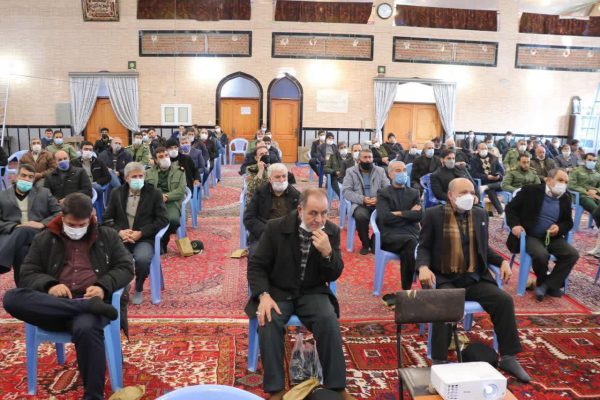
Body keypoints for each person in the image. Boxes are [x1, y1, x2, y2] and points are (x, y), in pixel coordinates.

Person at [3, 193, 134, 400]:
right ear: (62, 217)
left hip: (91, 305)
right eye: (72, 225)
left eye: (82, 225)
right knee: (11, 297)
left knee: (86, 328)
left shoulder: (107, 236)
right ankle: (84, 306)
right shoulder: (45, 238)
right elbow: (27, 273)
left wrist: (102, 287)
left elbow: (126, 267)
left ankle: (93, 396)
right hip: (54, 305)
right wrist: (50, 285)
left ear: (92, 218)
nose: (76, 229)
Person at [417, 178, 530, 382]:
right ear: (450, 195)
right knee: (444, 302)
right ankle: (440, 361)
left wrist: (502, 261)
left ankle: (508, 357)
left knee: (504, 301)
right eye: (463, 193)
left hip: (474, 277)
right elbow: (423, 247)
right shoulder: (433, 215)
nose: (468, 196)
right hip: (445, 277)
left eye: (471, 192)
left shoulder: (479, 214)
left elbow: (484, 248)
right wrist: (423, 267)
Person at [246, 188, 353, 400]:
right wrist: (264, 295)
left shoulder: (330, 232)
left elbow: (335, 273)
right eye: (313, 213)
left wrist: (328, 253)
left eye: (324, 213)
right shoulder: (276, 227)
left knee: (328, 319)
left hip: (312, 292)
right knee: (268, 320)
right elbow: (256, 266)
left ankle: (337, 387)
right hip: (278, 291)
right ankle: (276, 390)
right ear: (300, 209)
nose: (319, 219)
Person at [505, 169, 579, 301]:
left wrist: (559, 227)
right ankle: (546, 283)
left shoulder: (565, 197)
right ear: (548, 180)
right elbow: (511, 208)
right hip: (530, 235)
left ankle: (545, 285)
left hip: (552, 237)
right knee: (541, 255)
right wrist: (515, 225)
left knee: (572, 254)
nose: (563, 184)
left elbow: (568, 222)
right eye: (560, 180)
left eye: (566, 182)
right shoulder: (530, 190)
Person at [103, 162, 168, 305]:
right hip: (121, 238)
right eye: (134, 176)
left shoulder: (154, 193)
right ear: (126, 178)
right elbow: (106, 219)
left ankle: (138, 287)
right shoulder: (117, 193)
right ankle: (121, 286)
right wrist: (119, 232)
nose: (138, 179)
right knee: (113, 258)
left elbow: (163, 220)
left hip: (144, 238)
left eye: (141, 176)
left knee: (143, 259)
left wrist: (142, 232)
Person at [0, 164, 61, 285]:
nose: (26, 179)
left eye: (30, 177)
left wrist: (42, 224)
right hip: (14, 235)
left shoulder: (44, 193)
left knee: (24, 230)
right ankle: (22, 288)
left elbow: (59, 213)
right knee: (22, 249)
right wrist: (14, 226)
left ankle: (2, 261)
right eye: (23, 175)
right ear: (16, 177)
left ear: (34, 179)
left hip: (39, 233)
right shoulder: (2, 196)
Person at [376, 161, 421, 291]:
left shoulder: (414, 193)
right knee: (411, 243)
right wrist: (409, 214)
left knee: (412, 245)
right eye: (398, 170)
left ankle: (412, 287)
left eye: (404, 170)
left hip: (411, 234)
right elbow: (385, 218)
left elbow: (419, 215)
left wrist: (398, 213)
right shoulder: (383, 193)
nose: (402, 173)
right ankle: (407, 288)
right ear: (390, 175)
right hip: (390, 236)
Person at [244, 163, 300, 253]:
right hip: (264, 234)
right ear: (270, 179)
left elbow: (301, 219)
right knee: (255, 254)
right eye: (277, 177)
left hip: (288, 235)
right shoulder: (260, 193)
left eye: (284, 176)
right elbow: (249, 218)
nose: (281, 180)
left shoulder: (296, 195)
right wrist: (266, 231)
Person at [343, 149, 389, 255]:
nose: (368, 160)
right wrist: (362, 199)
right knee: (361, 216)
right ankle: (365, 243)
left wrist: (378, 199)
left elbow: (387, 188)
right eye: (365, 157)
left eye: (370, 157)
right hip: (360, 203)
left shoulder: (380, 171)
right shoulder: (351, 171)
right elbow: (346, 191)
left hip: (377, 203)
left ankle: (374, 242)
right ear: (359, 159)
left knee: (386, 215)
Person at [145, 147, 187, 252]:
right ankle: (154, 243)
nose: (165, 158)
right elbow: (145, 189)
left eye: (166, 155)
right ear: (156, 160)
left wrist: (167, 196)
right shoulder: (148, 172)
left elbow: (181, 190)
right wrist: (156, 197)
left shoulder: (179, 171)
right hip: (154, 202)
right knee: (148, 219)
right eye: (161, 157)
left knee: (172, 220)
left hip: (172, 202)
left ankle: (163, 240)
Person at [568, 153, 600, 255]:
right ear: (584, 160)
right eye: (590, 160)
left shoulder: (597, 173)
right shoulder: (577, 171)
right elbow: (571, 185)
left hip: (595, 195)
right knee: (595, 209)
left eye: (594, 160)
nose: (592, 162)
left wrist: (596, 191)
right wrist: (586, 192)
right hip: (581, 196)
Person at [470, 142, 505, 215]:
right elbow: (474, 174)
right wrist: (487, 177)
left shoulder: (494, 157)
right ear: (478, 150)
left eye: (485, 148)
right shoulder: (474, 159)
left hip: (496, 181)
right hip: (484, 181)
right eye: (482, 149)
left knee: (504, 183)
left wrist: (498, 175)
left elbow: (501, 170)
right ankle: (501, 212)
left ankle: (487, 187)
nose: (484, 150)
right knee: (491, 191)